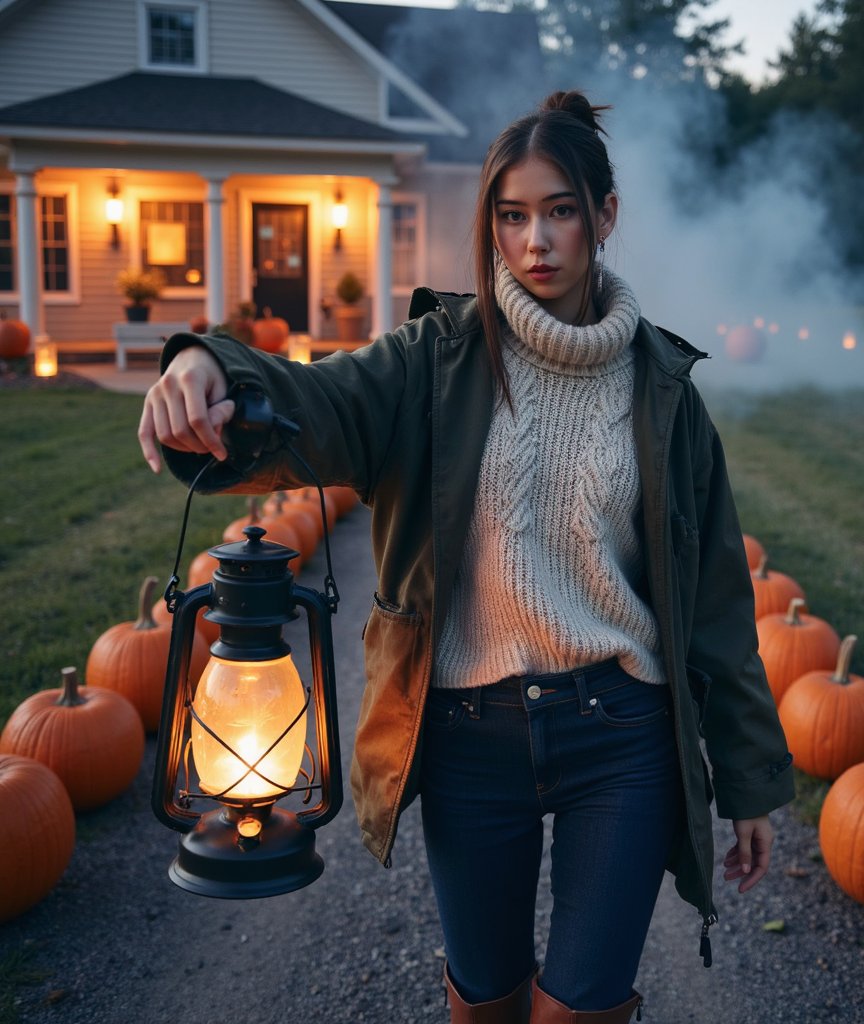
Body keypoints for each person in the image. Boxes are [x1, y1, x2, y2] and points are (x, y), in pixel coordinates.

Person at [139, 91, 794, 1024]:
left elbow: (720, 604)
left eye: (561, 210)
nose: (537, 241)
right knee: (484, 1001)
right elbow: (314, 403)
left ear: (604, 217)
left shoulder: (665, 393)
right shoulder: (433, 363)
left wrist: (750, 781)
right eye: (512, 214)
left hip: (622, 733)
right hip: (469, 735)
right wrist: (209, 367)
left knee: (583, 1005)